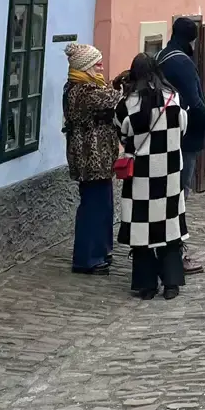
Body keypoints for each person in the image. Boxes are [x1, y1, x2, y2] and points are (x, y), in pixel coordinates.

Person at [115, 54, 188, 300]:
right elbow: (182, 129)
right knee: (169, 227)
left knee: (142, 230)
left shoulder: (126, 105)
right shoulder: (173, 98)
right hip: (169, 172)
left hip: (140, 176)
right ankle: (171, 283)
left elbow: (123, 136)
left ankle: (146, 285)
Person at [155, 17, 205, 273]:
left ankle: (165, 248)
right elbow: (193, 100)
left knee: (171, 193)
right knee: (179, 194)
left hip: (168, 135)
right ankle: (174, 252)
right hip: (185, 136)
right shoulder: (181, 61)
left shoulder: (163, 55)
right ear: (193, 37)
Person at [62, 43, 122, 276]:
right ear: (85, 67)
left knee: (103, 206)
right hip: (90, 158)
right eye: (97, 63)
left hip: (98, 159)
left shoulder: (82, 86)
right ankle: (87, 259)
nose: (101, 66)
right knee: (93, 208)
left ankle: (101, 251)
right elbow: (114, 99)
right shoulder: (83, 92)